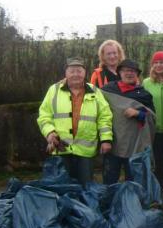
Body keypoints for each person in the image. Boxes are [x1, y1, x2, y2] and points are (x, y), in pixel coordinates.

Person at [37, 58, 113, 186]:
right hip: (61, 149)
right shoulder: (54, 90)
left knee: (86, 188)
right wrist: (49, 133)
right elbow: (44, 115)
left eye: (79, 71)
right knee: (62, 187)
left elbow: (104, 117)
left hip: (85, 151)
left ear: (84, 73)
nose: (75, 74)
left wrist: (106, 140)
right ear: (65, 73)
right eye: (72, 71)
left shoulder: (95, 91)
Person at [101, 59, 155, 185]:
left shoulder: (144, 95)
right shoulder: (108, 90)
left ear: (137, 75)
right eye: (125, 71)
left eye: (132, 71)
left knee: (133, 180)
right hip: (113, 143)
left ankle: (132, 202)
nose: (129, 74)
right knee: (110, 179)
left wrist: (138, 113)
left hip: (134, 146)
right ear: (119, 72)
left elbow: (152, 118)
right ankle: (109, 202)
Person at [142, 51, 163, 189]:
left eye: (162, 62)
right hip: (154, 130)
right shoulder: (146, 83)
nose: (159, 65)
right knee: (158, 164)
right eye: (155, 63)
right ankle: (160, 190)